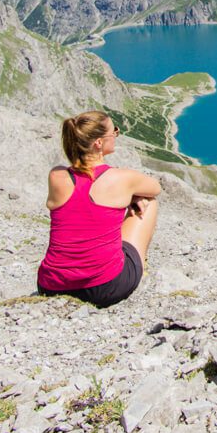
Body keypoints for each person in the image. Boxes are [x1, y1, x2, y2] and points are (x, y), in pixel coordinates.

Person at [37, 110, 161, 308]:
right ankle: (138, 269)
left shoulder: (56, 175)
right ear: (98, 143)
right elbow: (155, 188)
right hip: (104, 288)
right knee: (149, 201)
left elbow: (81, 200)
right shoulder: (120, 178)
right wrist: (132, 195)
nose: (116, 135)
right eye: (114, 132)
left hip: (51, 286)